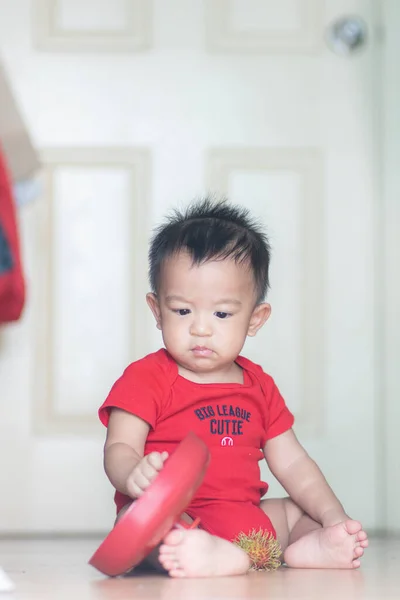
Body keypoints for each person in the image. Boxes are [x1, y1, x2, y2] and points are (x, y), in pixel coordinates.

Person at [98, 198, 368, 578]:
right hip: (178, 520)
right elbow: (119, 447)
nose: (201, 328)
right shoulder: (146, 377)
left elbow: (293, 463)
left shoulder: (259, 385)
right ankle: (206, 554)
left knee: (296, 510)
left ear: (255, 318)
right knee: (137, 521)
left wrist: (332, 516)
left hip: (249, 526)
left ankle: (315, 544)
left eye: (222, 313)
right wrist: (131, 475)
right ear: (157, 310)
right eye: (182, 311)